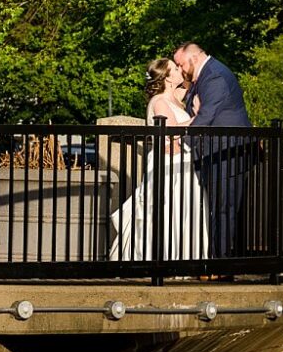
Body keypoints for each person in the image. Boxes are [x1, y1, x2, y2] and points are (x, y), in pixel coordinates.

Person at [108, 56, 210, 264]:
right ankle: (164, 259)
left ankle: (187, 258)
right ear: (167, 77)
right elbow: (172, 132)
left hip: (184, 162)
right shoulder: (160, 102)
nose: (180, 69)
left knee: (186, 210)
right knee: (168, 210)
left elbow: (192, 85)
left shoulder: (175, 96)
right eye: (175, 68)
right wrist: (199, 116)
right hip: (169, 164)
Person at [173, 42, 252, 257]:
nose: (180, 70)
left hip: (227, 152)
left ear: (194, 58)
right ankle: (216, 261)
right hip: (215, 152)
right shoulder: (203, 78)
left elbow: (205, 116)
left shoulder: (214, 76)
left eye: (180, 65)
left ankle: (221, 264)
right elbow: (198, 113)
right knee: (217, 209)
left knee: (224, 209)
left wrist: (181, 143)